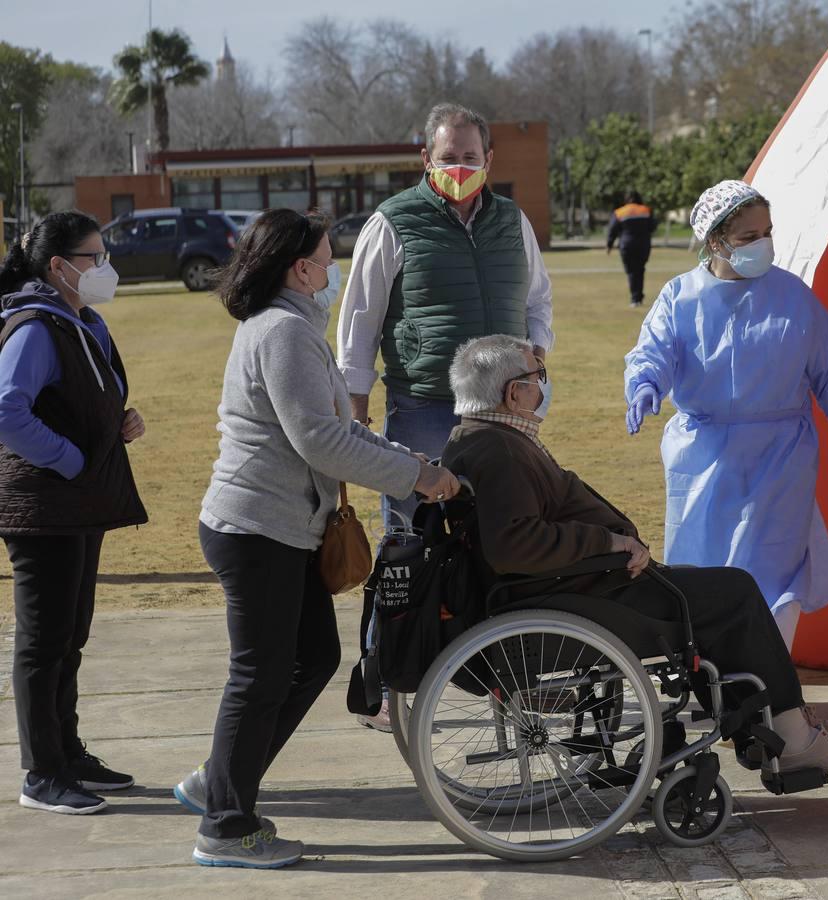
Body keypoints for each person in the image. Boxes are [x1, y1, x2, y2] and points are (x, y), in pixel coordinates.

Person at [440, 334, 828, 773]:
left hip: (569, 588)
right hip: (573, 596)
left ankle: (770, 724)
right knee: (734, 592)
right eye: (538, 376)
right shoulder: (500, 451)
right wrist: (609, 543)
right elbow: (515, 543)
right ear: (514, 394)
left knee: (711, 590)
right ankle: (793, 736)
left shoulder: (479, 436)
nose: (543, 385)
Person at [176, 209, 459, 869]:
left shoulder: (297, 327)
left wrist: (416, 470)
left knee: (312, 657)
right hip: (256, 530)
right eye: (328, 258)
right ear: (298, 269)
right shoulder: (283, 333)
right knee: (260, 675)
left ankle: (220, 780)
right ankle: (226, 826)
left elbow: (340, 430)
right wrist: (417, 475)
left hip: (280, 528)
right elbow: (321, 441)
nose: (335, 270)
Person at [338, 102, 554, 730]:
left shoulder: (513, 222)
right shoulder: (393, 222)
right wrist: (358, 419)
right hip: (425, 410)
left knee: (512, 544)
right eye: (448, 156)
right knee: (412, 546)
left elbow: (538, 300)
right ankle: (383, 683)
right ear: (426, 160)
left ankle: (510, 682)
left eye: (470, 156)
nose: (459, 166)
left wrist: (537, 357)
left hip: (506, 415)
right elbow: (359, 323)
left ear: (490, 160)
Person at [623, 180, 828, 655]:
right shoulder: (680, 298)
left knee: (776, 574)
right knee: (705, 570)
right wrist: (644, 385)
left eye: (767, 231)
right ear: (714, 240)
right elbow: (653, 351)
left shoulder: (792, 297)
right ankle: (716, 687)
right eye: (747, 237)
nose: (762, 244)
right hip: (704, 460)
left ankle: (772, 693)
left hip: (782, 456)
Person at [0, 211, 147, 816]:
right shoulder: (34, 325)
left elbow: (92, 398)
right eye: (94, 258)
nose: (105, 268)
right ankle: (42, 773)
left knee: (71, 635)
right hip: (43, 506)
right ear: (59, 267)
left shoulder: (82, 318)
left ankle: (67, 752)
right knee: (43, 642)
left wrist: (121, 422)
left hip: (78, 502)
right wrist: (67, 459)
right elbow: (7, 412)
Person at [606, 190, 658, 308]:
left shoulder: (620, 212)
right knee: (640, 270)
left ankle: (635, 298)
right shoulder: (646, 210)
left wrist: (609, 245)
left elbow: (612, 229)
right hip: (643, 245)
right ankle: (638, 296)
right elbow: (653, 226)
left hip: (627, 245)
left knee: (631, 272)